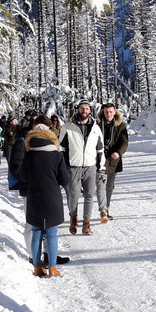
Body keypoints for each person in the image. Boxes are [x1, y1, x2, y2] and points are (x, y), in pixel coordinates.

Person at [18, 117, 70, 278]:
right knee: (52, 233)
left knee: (36, 231)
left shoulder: (29, 155)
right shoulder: (56, 155)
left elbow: (23, 177)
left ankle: (37, 267)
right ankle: (52, 268)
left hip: (34, 196)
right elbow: (65, 179)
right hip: (52, 197)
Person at [60, 99, 104, 235]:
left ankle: (86, 224)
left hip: (90, 166)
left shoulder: (96, 128)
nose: (84, 111)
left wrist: (101, 167)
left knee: (89, 195)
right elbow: (61, 148)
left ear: (90, 110)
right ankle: (73, 219)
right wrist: (63, 167)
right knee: (73, 195)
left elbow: (100, 149)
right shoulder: (68, 127)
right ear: (78, 109)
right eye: (81, 108)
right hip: (74, 166)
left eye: (86, 109)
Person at [97, 102, 129, 223]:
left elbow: (124, 141)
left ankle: (107, 208)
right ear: (103, 112)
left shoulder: (120, 126)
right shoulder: (98, 124)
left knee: (109, 186)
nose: (109, 114)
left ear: (115, 112)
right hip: (99, 159)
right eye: (106, 112)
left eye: (111, 112)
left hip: (113, 159)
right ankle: (103, 210)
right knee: (101, 185)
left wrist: (118, 152)